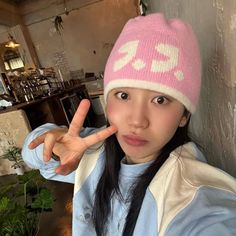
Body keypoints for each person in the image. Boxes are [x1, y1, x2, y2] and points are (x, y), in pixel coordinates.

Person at [22, 13, 236, 236]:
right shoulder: (94, 152)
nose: (137, 120)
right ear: (107, 101)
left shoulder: (194, 197)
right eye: (123, 95)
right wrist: (55, 147)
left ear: (184, 115)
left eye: (160, 100)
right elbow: (35, 159)